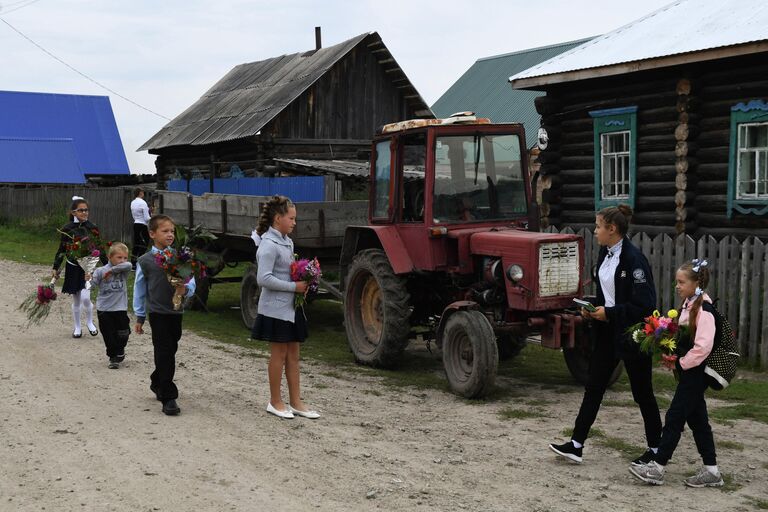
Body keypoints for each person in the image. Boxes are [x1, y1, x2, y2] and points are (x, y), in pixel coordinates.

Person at [549, 204, 662, 464]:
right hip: (606, 333)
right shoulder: (604, 252)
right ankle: (576, 445)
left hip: (632, 334)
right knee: (594, 387)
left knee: (642, 393)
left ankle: (657, 451)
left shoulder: (634, 260)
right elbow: (605, 294)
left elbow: (645, 305)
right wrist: (591, 310)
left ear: (613, 229)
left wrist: (609, 312)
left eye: (598, 226)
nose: (595, 231)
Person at [630, 259, 724, 487]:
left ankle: (658, 466)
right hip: (689, 371)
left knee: (675, 416)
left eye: (681, 282)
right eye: (677, 282)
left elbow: (703, 347)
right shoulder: (689, 304)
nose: (677, 286)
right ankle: (712, 471)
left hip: (696, 373)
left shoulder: (705, 310)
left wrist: (681, 363)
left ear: (697, 283)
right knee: (698, 419)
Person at [251, 195, 319, 420]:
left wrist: (305, 280)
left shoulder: (287, 241)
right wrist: (294, 286)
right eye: (291, 218)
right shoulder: (269, 244)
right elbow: (263, 279)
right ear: (278, 218)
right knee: (278, 355)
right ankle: (275, 401)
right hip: (275, 309)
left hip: (291, 308)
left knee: (293, 355)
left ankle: (296, 401)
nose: (294, 222)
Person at [133, 214, 196, 416]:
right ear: (152, 234)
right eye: (165, 231)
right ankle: (169, 397)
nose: (170, 235)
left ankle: (157, 379)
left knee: (172, 346)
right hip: (157, 313)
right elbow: (139, 290)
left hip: (176, 311)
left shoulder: (180, 257)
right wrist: (140, 316)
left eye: (172, 231)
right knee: (164, 351)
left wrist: (186, 289)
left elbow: (190, 280)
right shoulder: (145, 261)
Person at [52, 196, 103, 338]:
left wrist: (108, 264)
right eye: (81, 210)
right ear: (73, 212)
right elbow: (62, 249)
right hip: (73, 266)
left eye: (86, 210)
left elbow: (99, 247)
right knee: (76, 298)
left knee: (86, 297)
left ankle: (89, 322)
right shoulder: (67, 229)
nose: (85, 213)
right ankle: (77, 327)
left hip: (87, 268)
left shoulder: (92, 227)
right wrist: (56, 266)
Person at [89, 242, 132, 369]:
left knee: (124, 333)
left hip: (120, 308)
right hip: (104, 309)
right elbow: (91, 286)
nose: (122, 261)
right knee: (109, 335)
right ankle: (113, 357)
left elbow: (129, 265)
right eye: (119, 257)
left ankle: (120, 350)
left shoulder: (123, 270)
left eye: (125, 257)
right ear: (109, 257)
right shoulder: (100, 271)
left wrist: (112, 270)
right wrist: (88, 279)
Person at [130, 187, 151, 269]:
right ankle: (140, 262)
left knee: (136, 243)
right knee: (144, 244)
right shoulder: (143, 203)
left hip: (136, 224)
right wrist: (151, 216)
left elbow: (133, 215)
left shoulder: (132, 202)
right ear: (141, 193)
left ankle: (133, 262)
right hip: (143, 225)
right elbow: (146, 218)